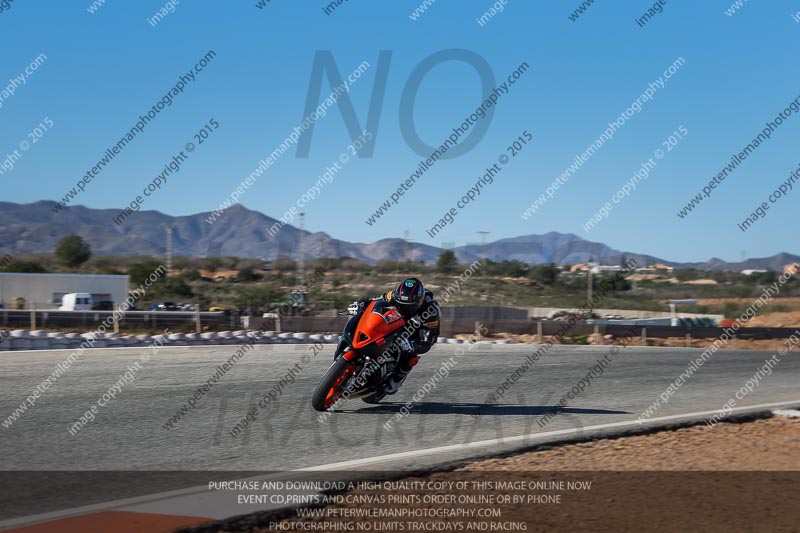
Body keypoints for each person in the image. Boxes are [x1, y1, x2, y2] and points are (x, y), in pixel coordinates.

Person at [348, 277, 440, 394]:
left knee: (411, 356)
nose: (404, 308)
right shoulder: (394, 295)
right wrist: (361, 304)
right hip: (400, 320)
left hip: (422, 327)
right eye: (401, 304)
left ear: (418, 302)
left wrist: (413, 345)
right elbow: (376, 301)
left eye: (408, 306)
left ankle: (398, 379)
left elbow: (429, 341)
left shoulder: (430, 311)